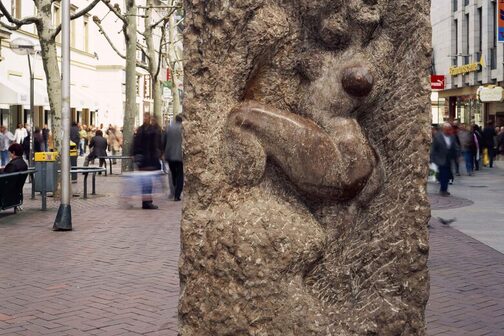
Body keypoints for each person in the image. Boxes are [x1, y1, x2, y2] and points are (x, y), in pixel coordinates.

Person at [133, 112, 162, 209]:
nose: (146, 119)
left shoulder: (142, 130)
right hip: (147, 159)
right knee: (147, 182)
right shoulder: (149, 130)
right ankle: (147, 202)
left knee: (146, 181)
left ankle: (146, 202)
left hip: (145, 159)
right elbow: (156, 143)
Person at [431, 123, 457, 196]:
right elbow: (433, 149)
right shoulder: (438, 137)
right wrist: (432, 159)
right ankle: (443, 190)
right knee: (443, 175)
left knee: (447, 174)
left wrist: (457, 156)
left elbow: (455, 147)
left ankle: (443, 189)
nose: (449, 131)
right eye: (447, 130)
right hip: (440, 159)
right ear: (444, 129)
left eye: (450, 129)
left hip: (449, 158)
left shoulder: (452, 137)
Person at [164, 114, 184, 201]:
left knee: (173, 173)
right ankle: (177, 194)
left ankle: (175, 186)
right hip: (180, 155)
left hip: (169, 155)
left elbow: (164, 140)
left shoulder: (169, 128)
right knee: (180, 174)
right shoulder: (184, 129)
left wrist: (163, 151)